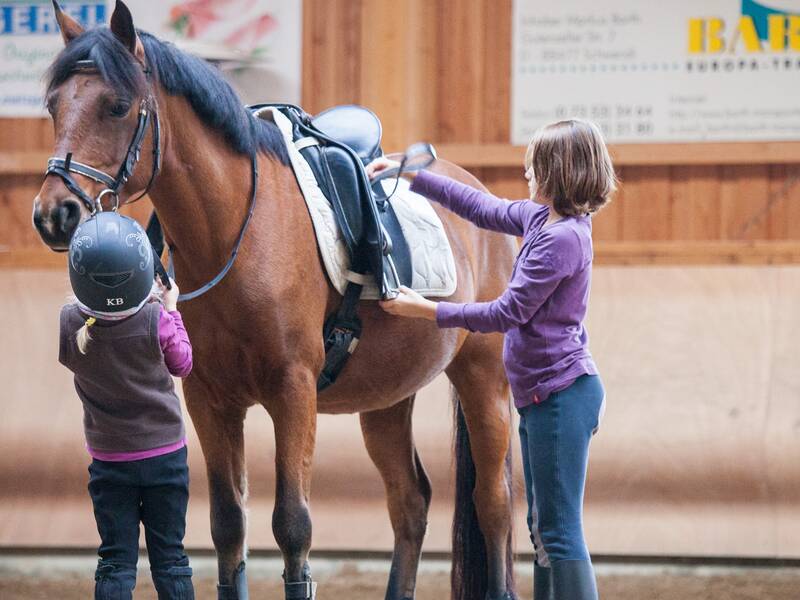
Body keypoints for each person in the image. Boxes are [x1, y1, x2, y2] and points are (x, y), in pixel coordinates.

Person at [367, 119, 616, 600]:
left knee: (561, 533)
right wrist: (416, 176)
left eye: (535, 165)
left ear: (558, 173)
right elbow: (483, 207)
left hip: (563, 398)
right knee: (543, 530)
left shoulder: (562, 241)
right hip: (544, 395)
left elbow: (507, 311)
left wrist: (426, 309)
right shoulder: (544, 220)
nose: (527, 171)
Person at [58, 211, 195, 600]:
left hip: (108, 460)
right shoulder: (156, 318)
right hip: (165, 457)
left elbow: (82, 344)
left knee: (115, 561)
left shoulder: (70, 321)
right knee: (170, 559)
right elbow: (182, 363)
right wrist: (171, 307)